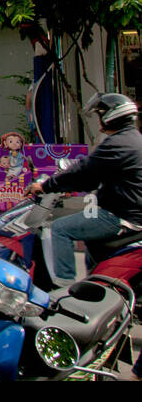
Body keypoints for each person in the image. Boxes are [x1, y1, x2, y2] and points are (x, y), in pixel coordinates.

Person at [28, 92, 142, 285]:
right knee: (89, 232)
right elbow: (93, 176)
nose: (98, 119)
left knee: (59, 228)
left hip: (120, 216)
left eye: (99, 114)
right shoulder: (132, 139)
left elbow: (84, 171)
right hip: (129, 211)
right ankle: (94, 282)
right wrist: (70, 185)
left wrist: (45, 186)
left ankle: (63, 285)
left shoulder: (118, 144)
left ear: (112, 115)